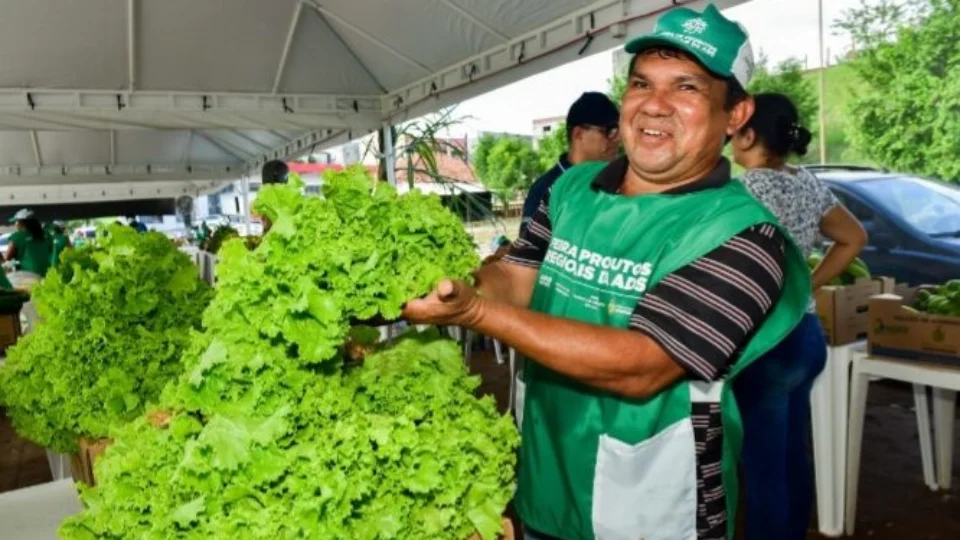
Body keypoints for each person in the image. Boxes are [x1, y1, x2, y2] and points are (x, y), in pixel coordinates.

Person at [403, 5, 810, 539]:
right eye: (642, 84)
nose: (654, 106)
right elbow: (518, 279)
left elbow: (641, 365)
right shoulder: (574, 189)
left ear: (735, 115)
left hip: (651, 506)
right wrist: (457, 287)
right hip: (544, 477)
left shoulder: (742, 235)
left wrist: (475, 312)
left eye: (687, 87)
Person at [729, 92, 867, 540]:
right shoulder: (807, 181)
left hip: (765, 337)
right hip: (806, 332)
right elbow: (853, 237)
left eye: (735, 129)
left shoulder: (746, 189)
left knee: (763, 465)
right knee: (790, 454)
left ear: (750, 133)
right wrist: (809, 284)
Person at [520, 92, 621, 237]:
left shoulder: (617, 184)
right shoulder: (545, 189)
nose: (618, 139)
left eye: (619, 131)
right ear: (578, 134)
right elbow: (528, 254)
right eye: (610, 131)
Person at [6, 209, 52, 279]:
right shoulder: (47, 235)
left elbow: (8, 257)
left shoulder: (17, 236)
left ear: (22, 222)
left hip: (28, 275)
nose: (15, 224)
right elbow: (50, 250)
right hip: (47, 272)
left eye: (16, 221)